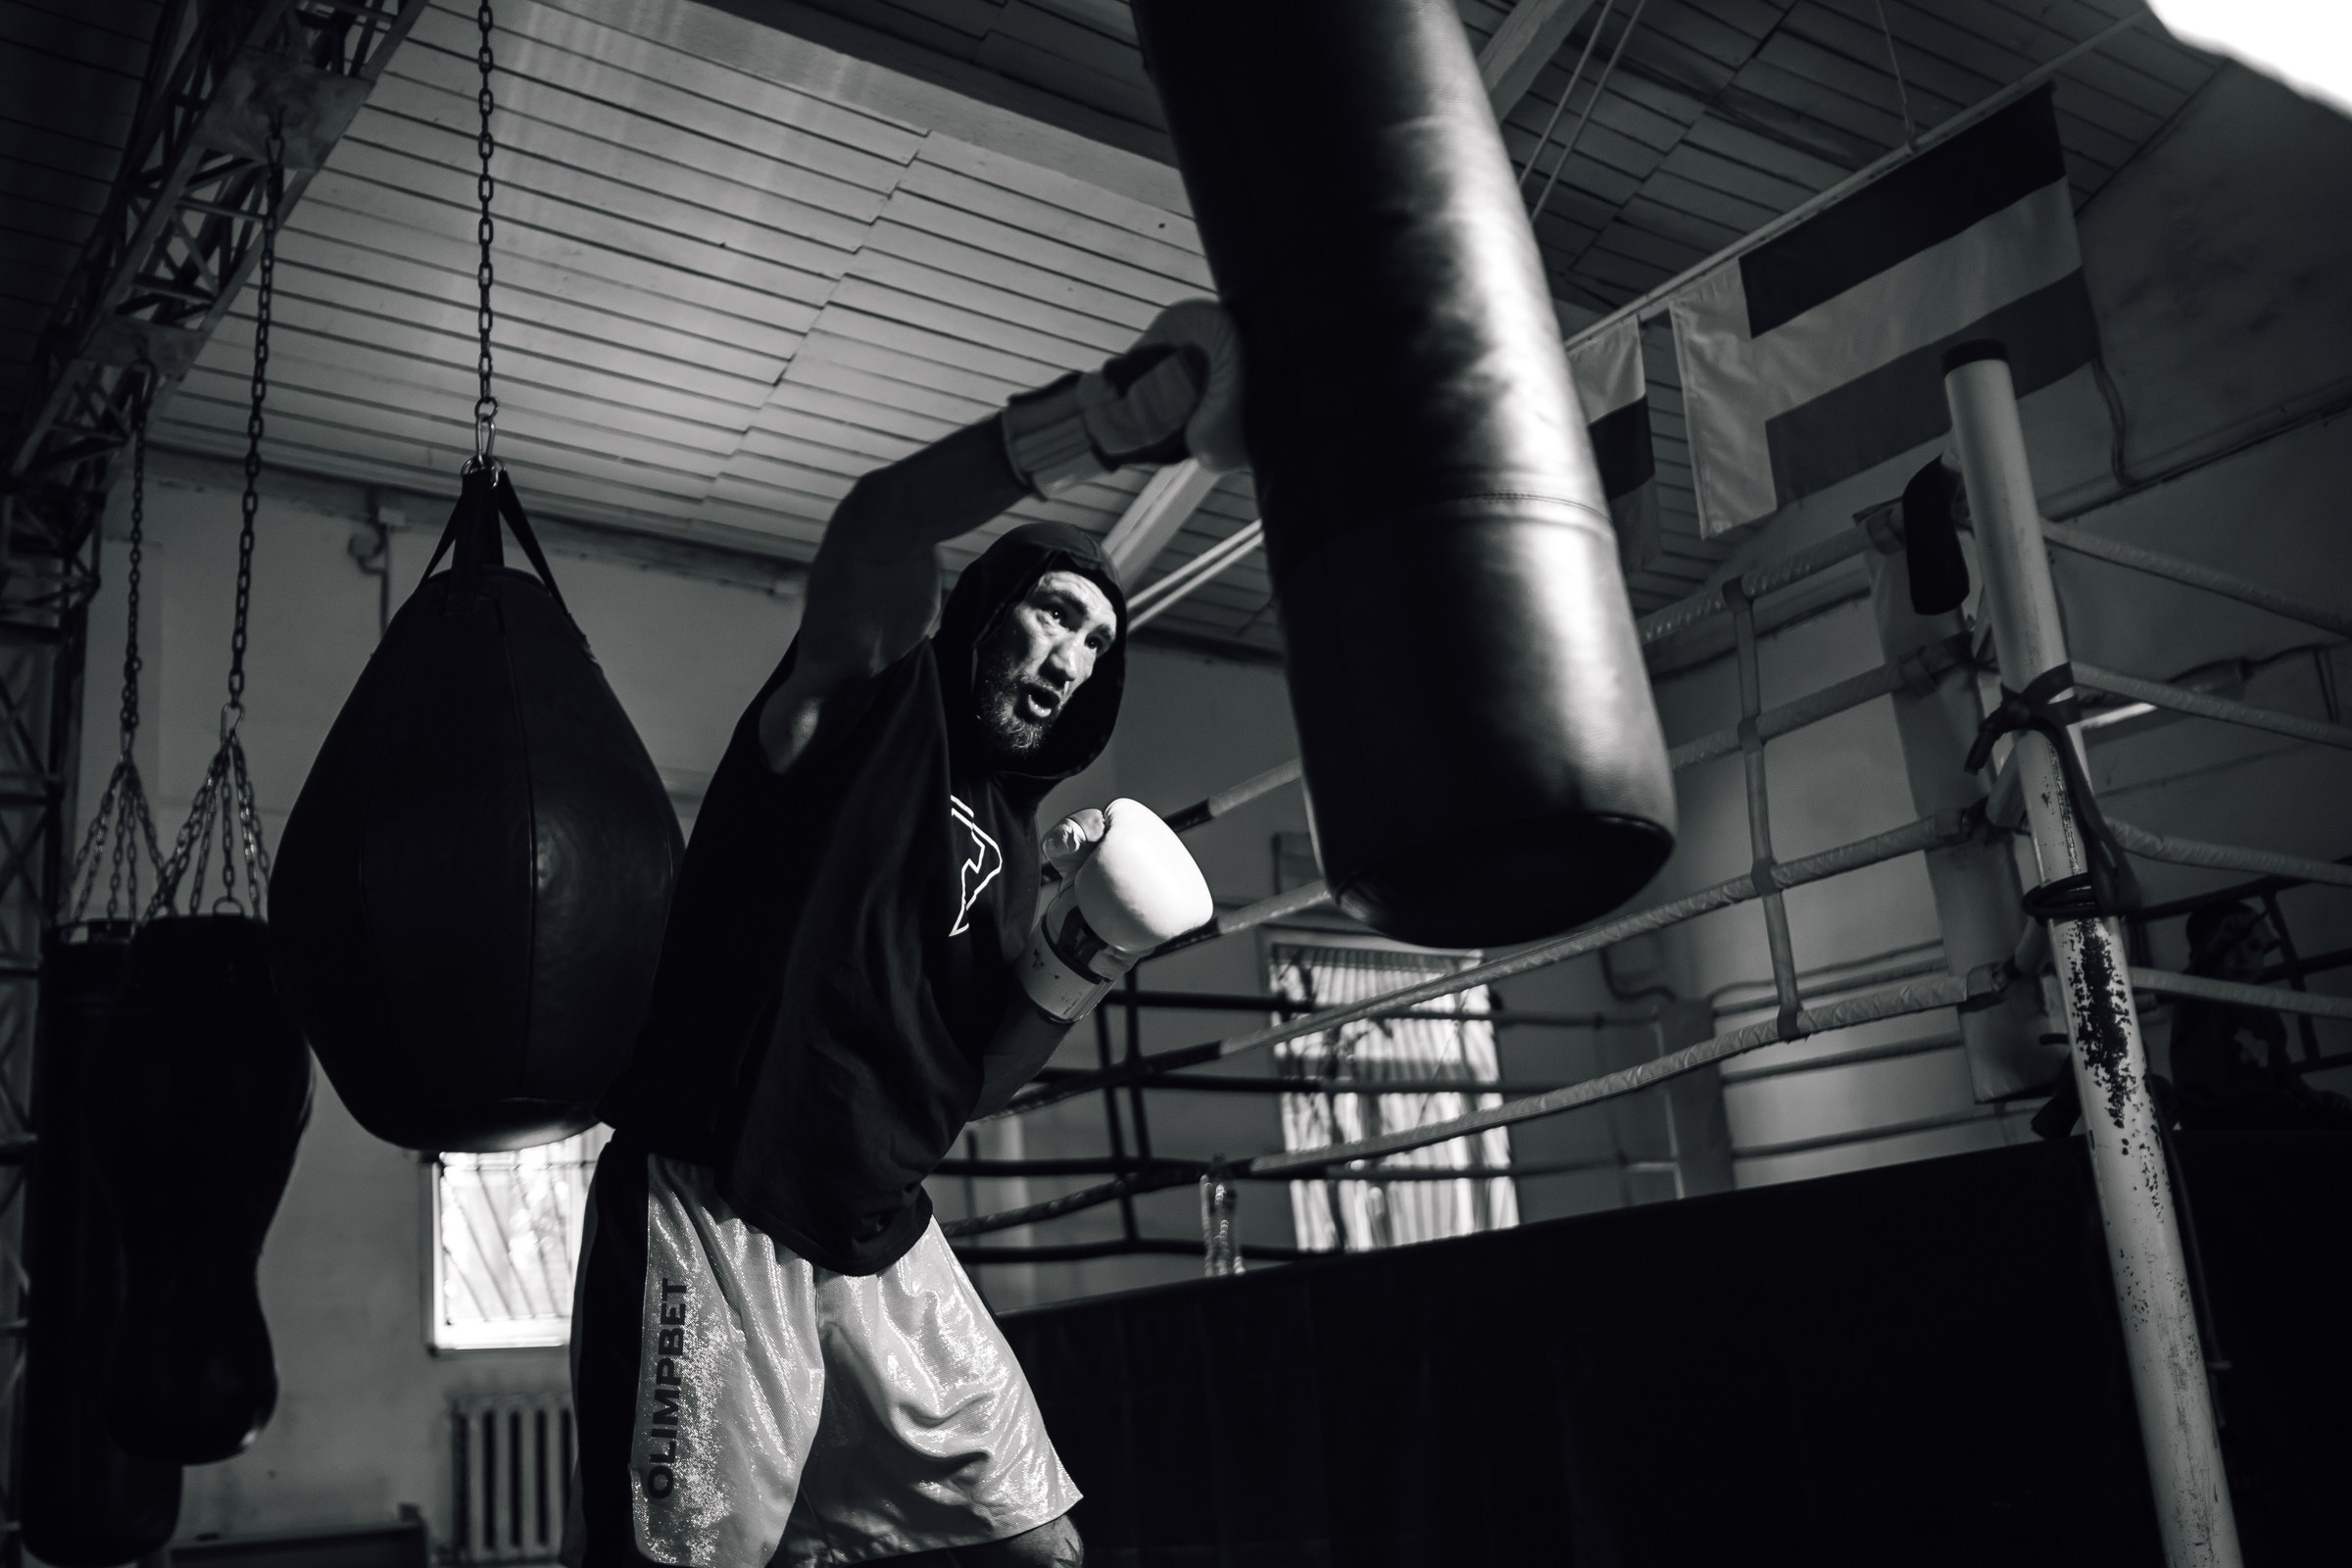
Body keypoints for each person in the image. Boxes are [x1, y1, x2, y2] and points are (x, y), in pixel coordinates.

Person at [564, 302, 1245, 1567]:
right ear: (990, 612)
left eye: (1097, 645)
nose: (1071, 657)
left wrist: (1079, 956)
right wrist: (1110, 420)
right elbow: (882, 521)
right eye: (1053, 615)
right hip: (717, 1195)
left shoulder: (1026, 845)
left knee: (1037, 1550)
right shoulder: (869, 706)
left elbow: (964, 1084)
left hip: (872, 1224)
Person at [2168, 899, 2352, 1131]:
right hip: (2213, 1125)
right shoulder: (2196, 996)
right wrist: (2219, 941)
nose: (2244, 957)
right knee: (2273, 1105)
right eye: (2228, 946)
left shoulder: (2264, 1009)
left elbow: (2282, 1070)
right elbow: (2199, 970)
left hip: (2266, 1119)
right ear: (2200, 954)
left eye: (2254, 946)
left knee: (2336, 1119)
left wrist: (2316, 1098)